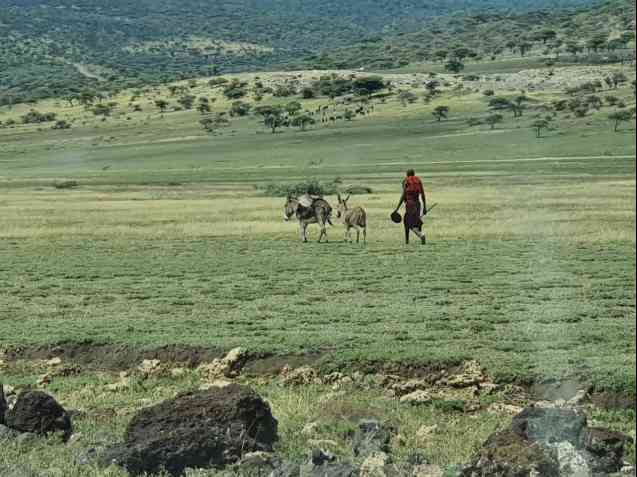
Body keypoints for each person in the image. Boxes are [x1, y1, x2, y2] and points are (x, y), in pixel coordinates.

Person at [392, 169, 427, 245]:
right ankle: (412, 241)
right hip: (418, 204)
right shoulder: (418, 180)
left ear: (407, 175)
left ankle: (421, 235)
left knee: (408, 223)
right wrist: (425, 207)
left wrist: (397, 208)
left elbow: (403, 195)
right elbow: (423, 195)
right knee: (416, 222)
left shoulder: (406, 181)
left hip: (410, 205)